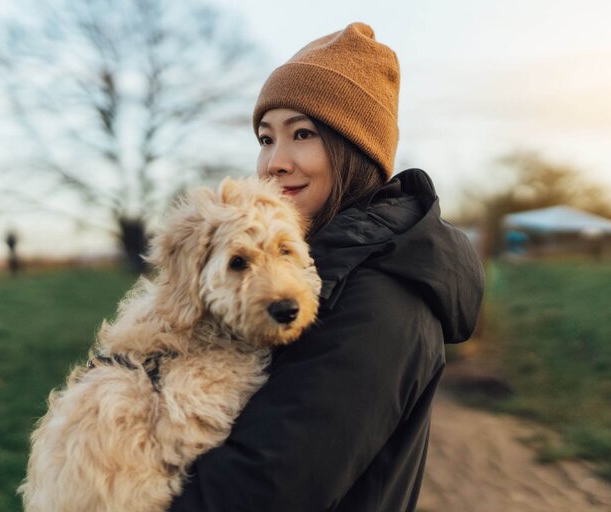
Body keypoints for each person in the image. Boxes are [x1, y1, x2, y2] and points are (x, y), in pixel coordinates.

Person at [170, 22, 485, 512]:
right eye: (265, 137)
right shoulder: (316, 266)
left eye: (302, 134)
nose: (275, 161)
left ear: (355, 150)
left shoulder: (383, 299)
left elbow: (260, 491)